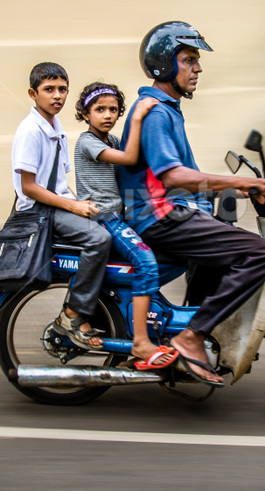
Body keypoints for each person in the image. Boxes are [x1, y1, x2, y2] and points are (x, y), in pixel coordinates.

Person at [118, 22, 265, 385]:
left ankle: (197, 333)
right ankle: (191, 337)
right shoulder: (158, 113)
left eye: (196, 61)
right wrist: (244, 180)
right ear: (165, 64)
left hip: (169, 211)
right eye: (189, 60)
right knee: (260, 255)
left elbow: (190, 179)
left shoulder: (169, 109)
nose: (198, 68)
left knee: (224, 234)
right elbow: (173, 177)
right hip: (159, 216)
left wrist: (239, 191)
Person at [72, 81, 179, 370]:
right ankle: (141, 342)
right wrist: (137, 116)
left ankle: (146, 313)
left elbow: (135, 164)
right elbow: (129, 158)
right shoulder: (87, 142)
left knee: (176, 253)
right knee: (147, 263)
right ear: (85, 113)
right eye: (99, 109)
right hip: (103, 219)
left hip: (120, 216)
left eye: (114, 110)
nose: (107, 115)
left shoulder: (113, 141)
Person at [11, 62, 111, 350]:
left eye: (62, 89)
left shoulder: (56, 128)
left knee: (113, 227)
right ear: (33, 93)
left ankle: (102, 310)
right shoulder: (31, 130)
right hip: (39, 211)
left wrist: (78, 203)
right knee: (99, 238)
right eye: (49, 90)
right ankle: (72, 315)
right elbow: (29, 187)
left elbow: (59, 181)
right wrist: (73, 207)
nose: (57, 96)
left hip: (57, 205)